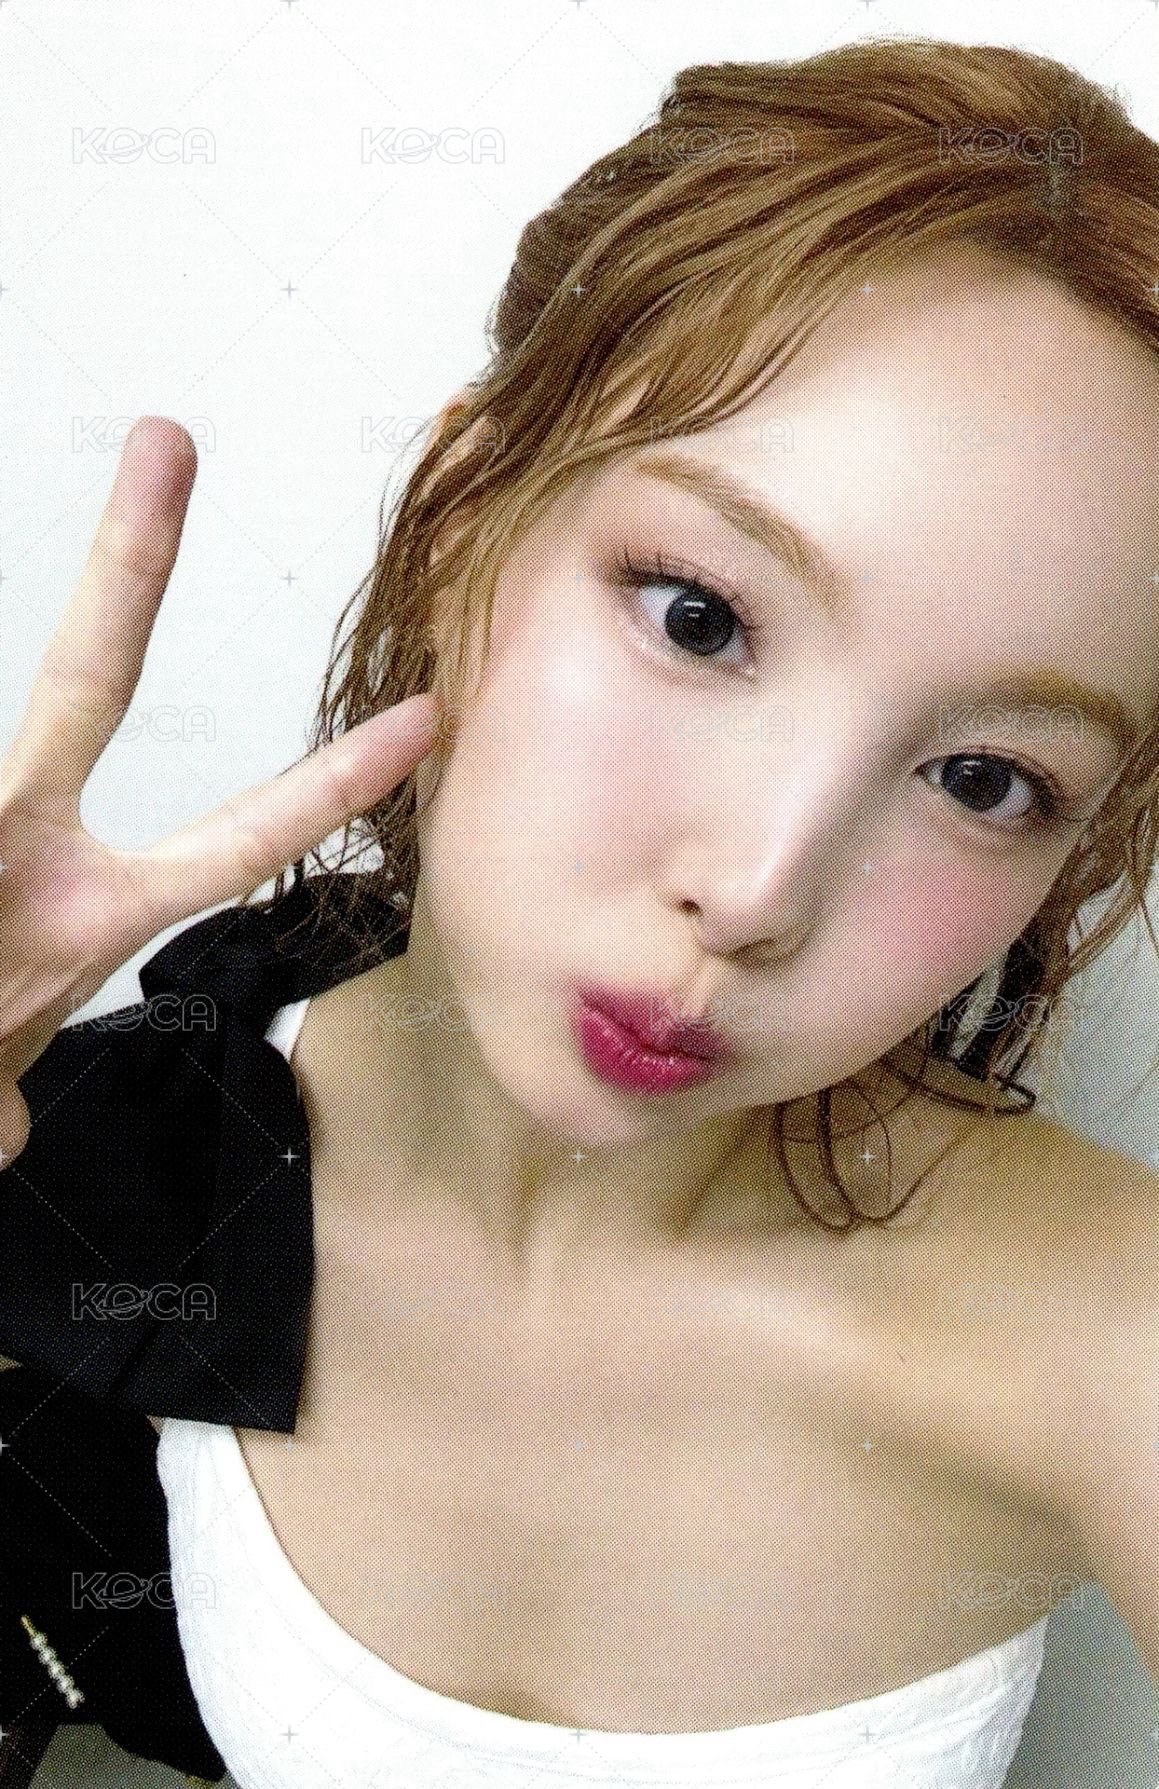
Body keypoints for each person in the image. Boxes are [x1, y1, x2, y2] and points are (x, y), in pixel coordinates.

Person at [1, 34, 1156, 1789]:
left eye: (985, 777)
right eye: (700, 618)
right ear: (462, 516)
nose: (757, 892)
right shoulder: (145, 1146)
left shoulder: (1102, 1328)